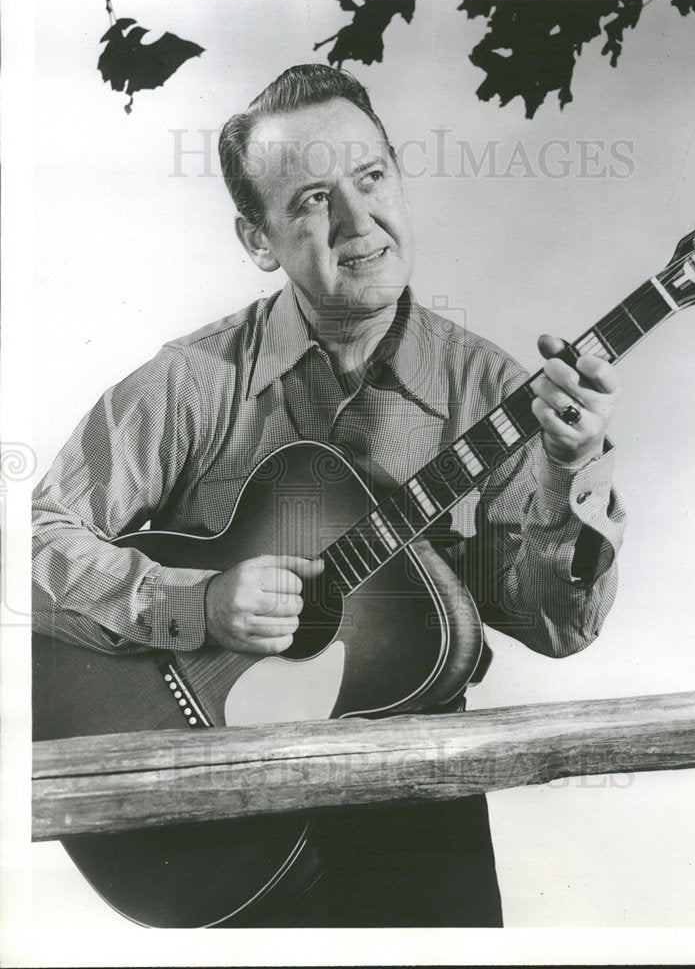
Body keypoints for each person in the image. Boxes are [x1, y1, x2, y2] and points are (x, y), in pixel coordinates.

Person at [32, 63, 625, 927]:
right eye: (313, 199)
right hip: (217, 797)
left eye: (370, 177)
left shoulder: (494, 392)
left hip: (420, 810)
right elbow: (30, 541)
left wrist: (567, 471)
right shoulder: (195, 380)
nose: (357, 222)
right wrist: (195, 603)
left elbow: (552, 628)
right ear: (258, 239)